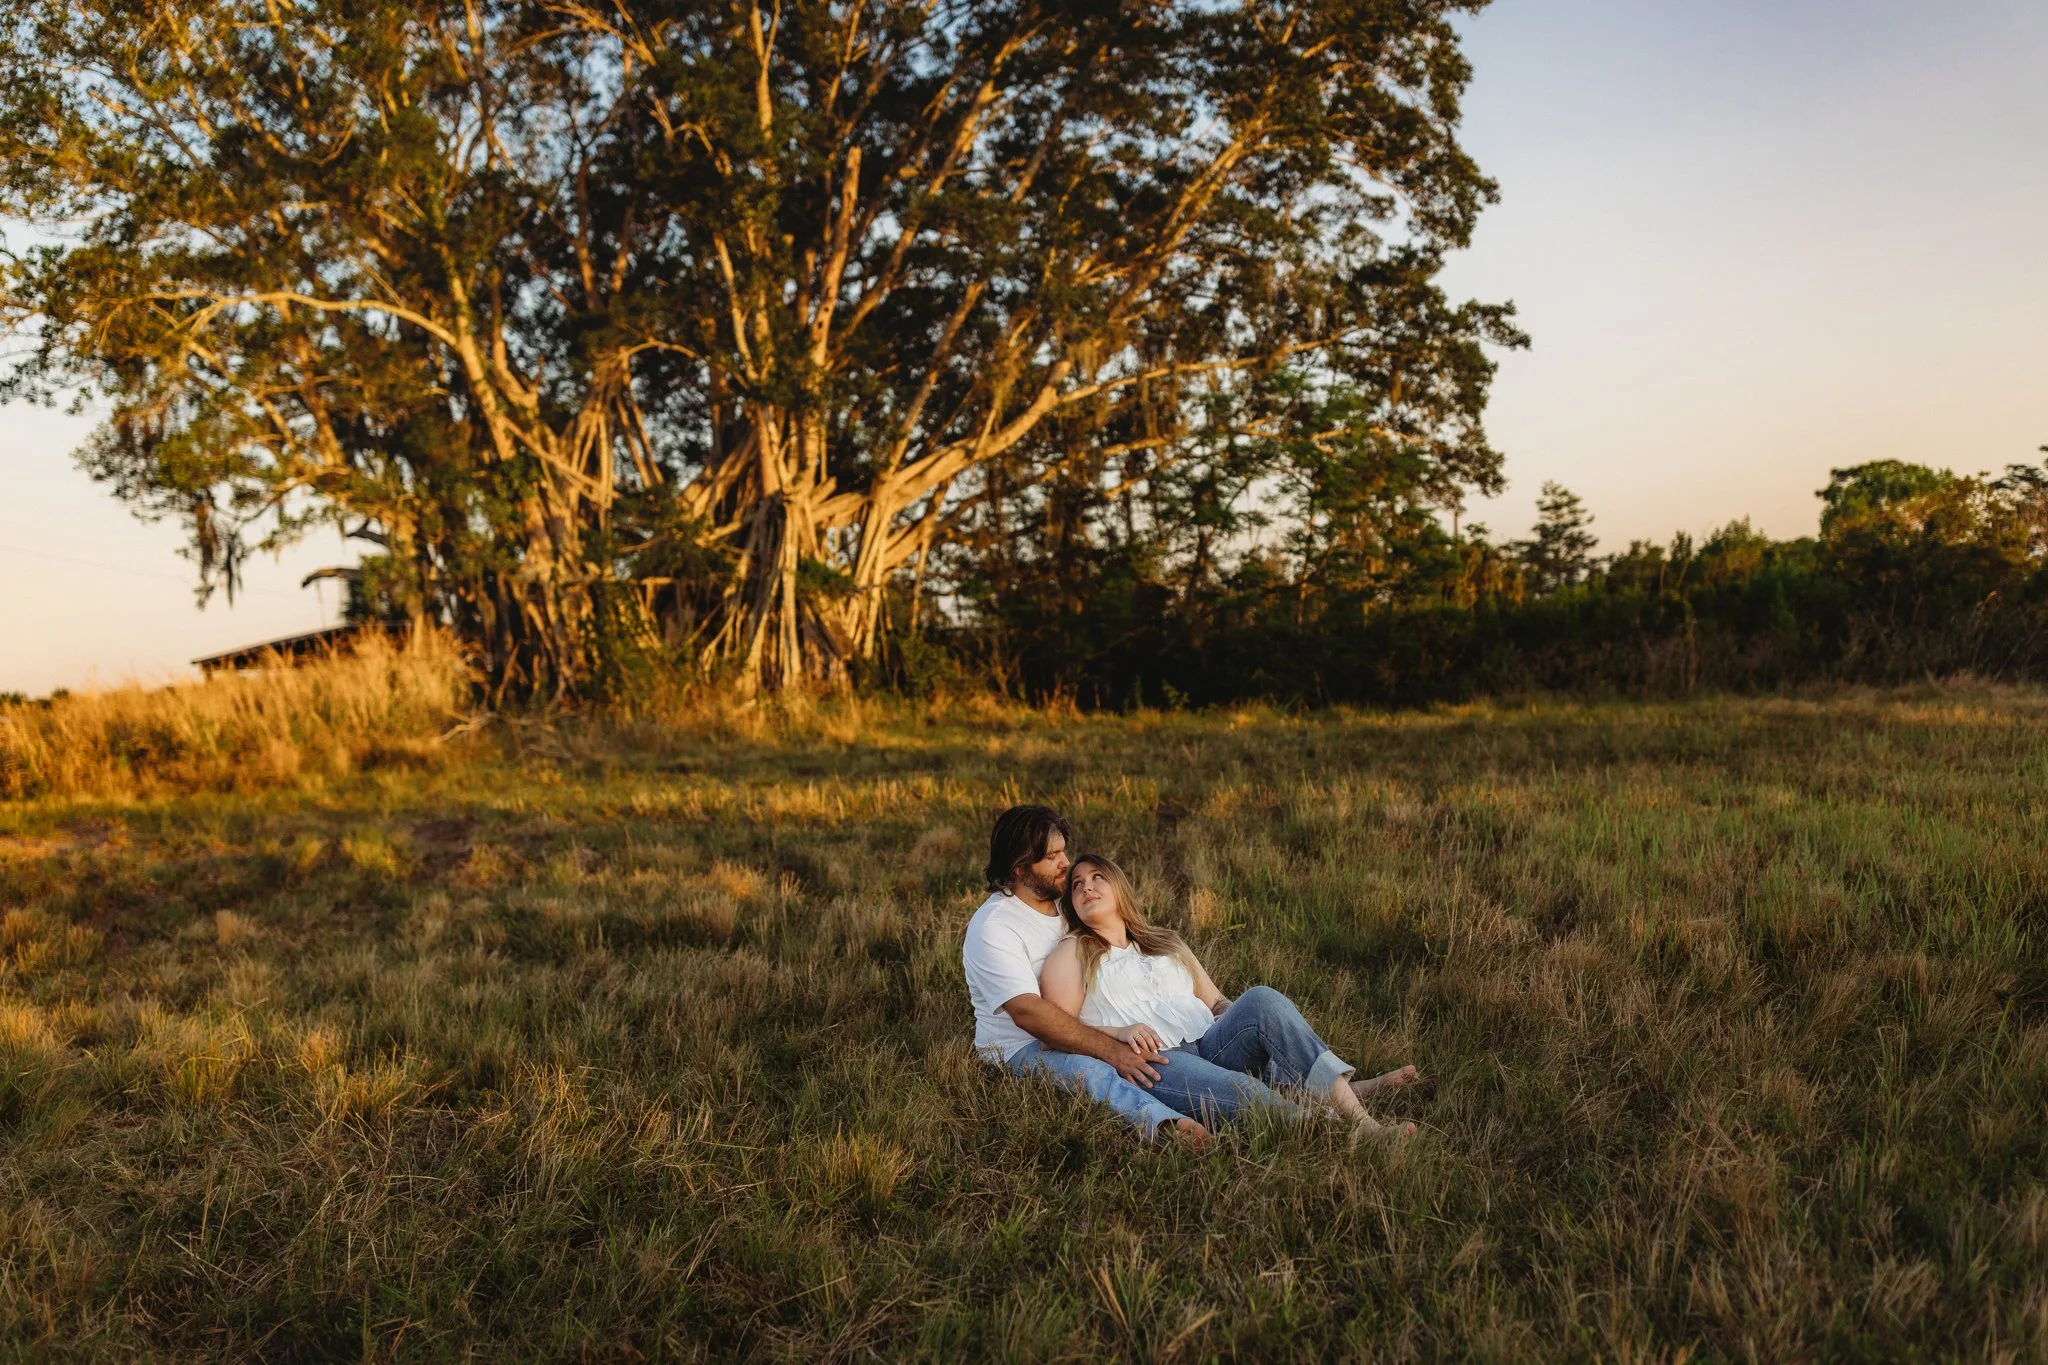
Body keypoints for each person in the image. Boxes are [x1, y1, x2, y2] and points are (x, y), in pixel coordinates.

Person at [1039, 852, 1419, 1141]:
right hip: (1157, 1062)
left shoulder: (1163, 941)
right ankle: (1334, 1131)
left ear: (1119, 888)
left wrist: (1278, 1022)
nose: (1086, 886)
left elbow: (1218, 1003)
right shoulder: (1073, 952)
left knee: (1263, 998)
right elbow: (1057, 1032)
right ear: (1071, 904)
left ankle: (1363, 1122)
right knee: (1248, 1090)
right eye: (1076, 884)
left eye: (1097, 877)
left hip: (1211, 1041)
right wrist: (1117, 1032)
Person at [962, 805, 1210, 1144]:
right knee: (1091, 1072)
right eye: (1053, 856)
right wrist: (1109, 1048)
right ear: (1020, 868)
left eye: (1063, 850)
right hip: (1025, 1046)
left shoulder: (1066, 900)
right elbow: (1028, 1014)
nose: (1066, 862)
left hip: (1095, 1022)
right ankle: (1164, 1126)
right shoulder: (994, 928)